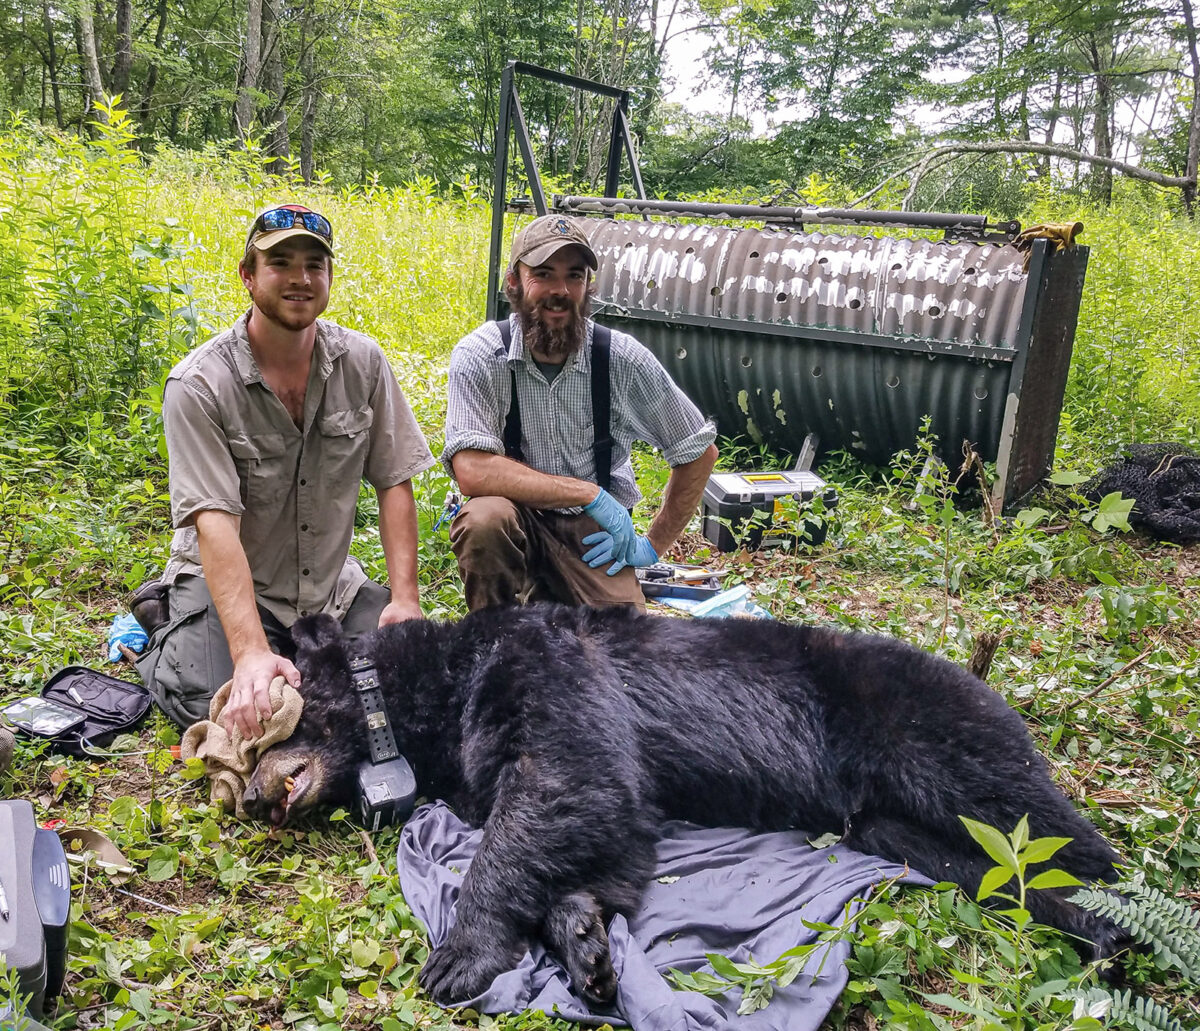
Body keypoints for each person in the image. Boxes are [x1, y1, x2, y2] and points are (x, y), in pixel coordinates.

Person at [135, 204, 435, 737]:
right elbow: (214, 522)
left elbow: (394, 481)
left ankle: (297, 650)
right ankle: (172, 622)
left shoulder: (362, 363)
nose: (300, 278)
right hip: (231, 578)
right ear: (248, 276)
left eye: (315, 265)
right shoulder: (200, 385)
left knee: (409, 681)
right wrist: (249, 652)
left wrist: (405, 600)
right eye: (280, 263)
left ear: (329, 277)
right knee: (222, 705)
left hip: (327, 587)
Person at [443, 214, 718, 611]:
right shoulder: (483, 355)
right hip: (512, 520)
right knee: (484, 521)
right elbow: (472, 468)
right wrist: (588, 493)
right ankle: (494, 637)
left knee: (626, 648)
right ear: (514, 283)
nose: (561, 291)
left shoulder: (621, 359)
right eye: (543, 274)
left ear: (589, 285)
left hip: (591, 538)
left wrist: (652, 546)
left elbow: (697, 452)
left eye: (574, 276)